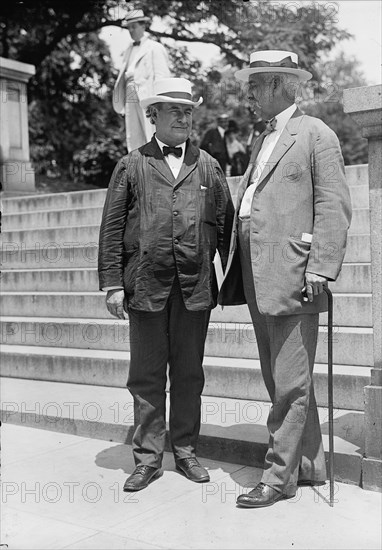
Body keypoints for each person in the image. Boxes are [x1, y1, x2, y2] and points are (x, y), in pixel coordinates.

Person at [219, 50, 352, 508]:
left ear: (277, 84)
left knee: (290, 381)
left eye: (254, 85)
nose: (248, 93)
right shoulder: (264, 139)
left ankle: (278, 478)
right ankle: (310, 466)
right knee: (279, 378)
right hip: (258, 271)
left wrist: (320, 265)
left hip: (296, 272)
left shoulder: (316, 134)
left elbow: (334, 205)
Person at [98, 77, 234, 492]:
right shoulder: (131, 164)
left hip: (195, 288)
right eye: (173, 110)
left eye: (188, 111)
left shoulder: (208, 164)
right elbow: (112, 226)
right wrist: (112, 284)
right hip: (145, 286)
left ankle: (187, 453)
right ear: (152, 116)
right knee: (146, 376)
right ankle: (148, 458)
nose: (183, 117)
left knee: (190, 374)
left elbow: (229, 227)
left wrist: (238, 283)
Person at [112, 9, 171, 152]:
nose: (131, 31)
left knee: (150, 130)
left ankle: (155, 166)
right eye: (129, 28)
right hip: (130, 92)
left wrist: (160, 103)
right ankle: (137, 167)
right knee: (133, 134)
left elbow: (162, 76)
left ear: (143, 26)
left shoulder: (154, 47)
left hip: (147, 94)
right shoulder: (128, 50)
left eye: (134, 27)